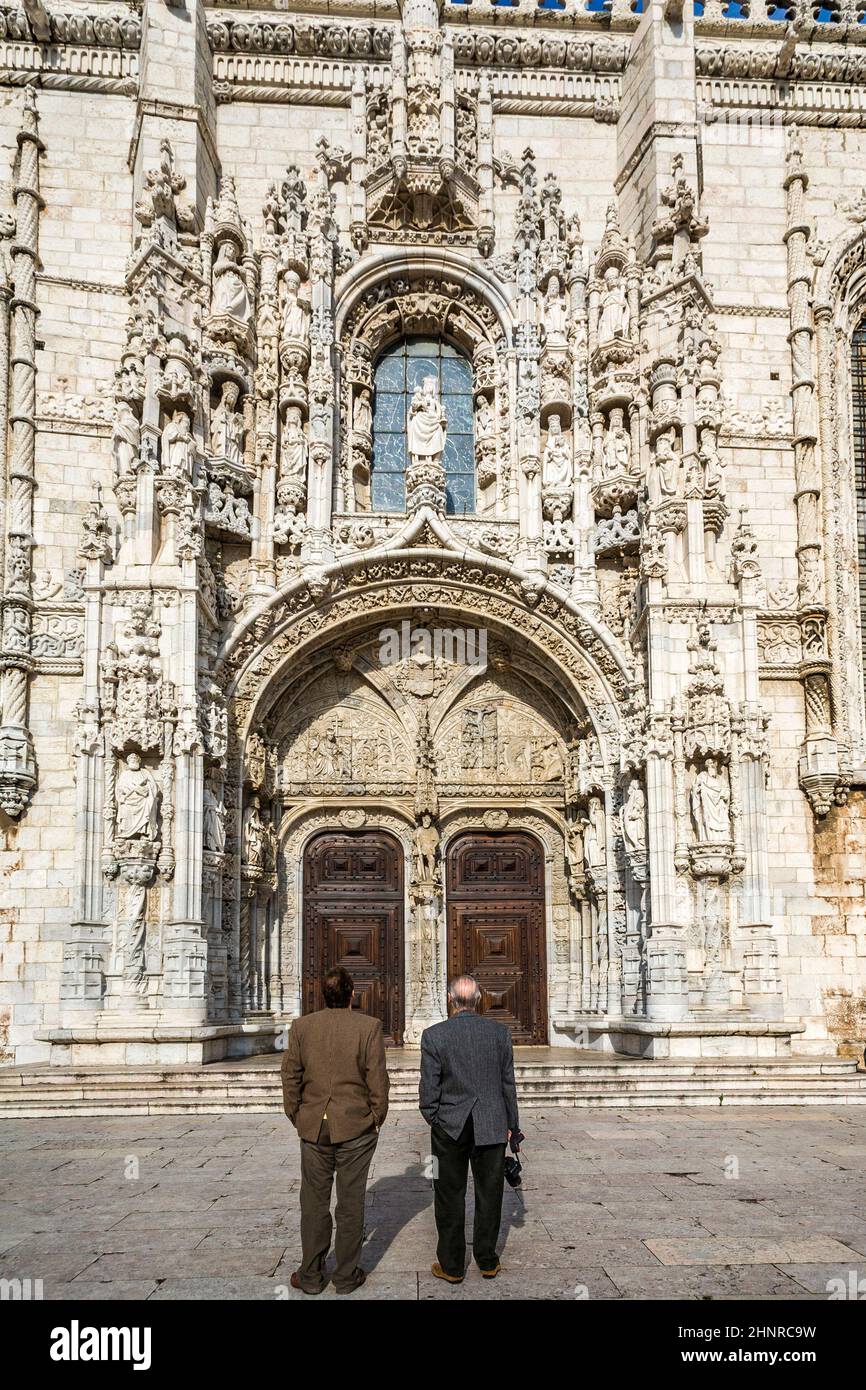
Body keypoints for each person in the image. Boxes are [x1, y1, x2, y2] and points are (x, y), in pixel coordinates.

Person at [281, 966, 389, 1295]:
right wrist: (375, 1117)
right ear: (352, 994)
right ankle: (345, 1276)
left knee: (313, 1202)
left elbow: (290, 1076)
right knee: (351, 1203)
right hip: (355, 1125)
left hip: (314, 1127)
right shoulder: (368, 1027)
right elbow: (377, 1080)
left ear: (322, 995)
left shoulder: (301, 1027)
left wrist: (298, 1114)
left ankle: (311, 1277)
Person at [419, 975, 520, 1284]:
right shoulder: (499, 1033)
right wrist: (513, 1127)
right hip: (491, 1123)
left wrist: (435, 1118)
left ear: (451, 1000)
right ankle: (487, 1260)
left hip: (450, 1127)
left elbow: (428, 1090)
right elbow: (508, 1085)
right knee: (490, 1194)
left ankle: (451, 1265)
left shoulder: (434, 1035)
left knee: (449, 1195)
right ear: (478, 1000)